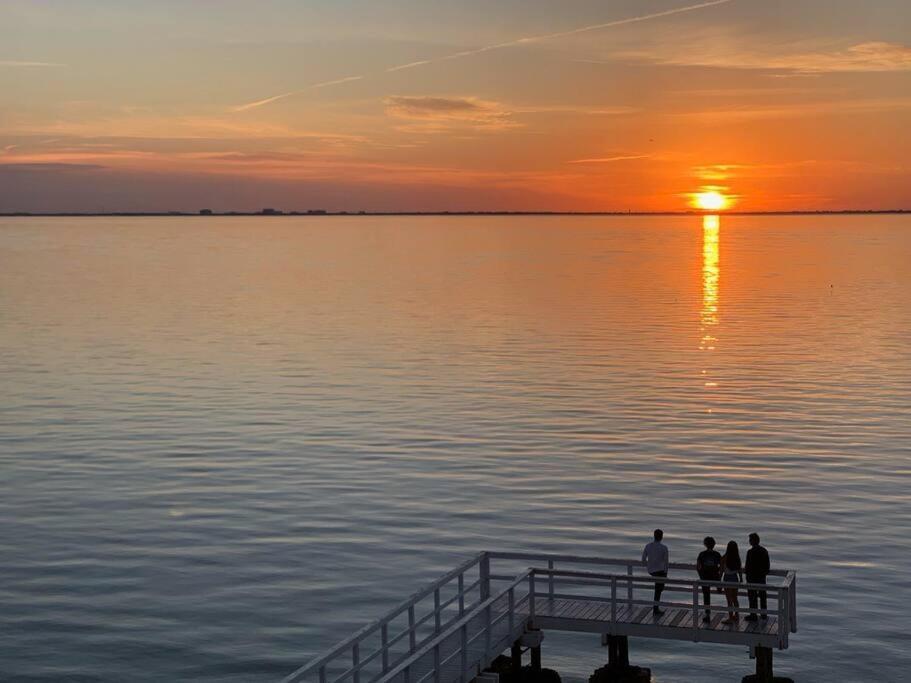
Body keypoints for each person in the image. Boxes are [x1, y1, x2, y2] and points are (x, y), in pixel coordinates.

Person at [642, 529, 669, 615]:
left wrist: (649, 565)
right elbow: (666, 562)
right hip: (660, 571)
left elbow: (643, 560)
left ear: (654, 536)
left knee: (658, 588)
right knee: (659, 589)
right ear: (662, 537)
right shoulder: (664, 548)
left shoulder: (648, 546)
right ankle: (655, 609)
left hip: (651, 571)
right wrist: (666, 573)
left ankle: (656, 608)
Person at [745, 533, 770, 621]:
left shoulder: (750, 552)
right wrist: (764, 573)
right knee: (763, 596)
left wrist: (747, 576)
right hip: (761, 577)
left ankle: (753, 615)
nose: (749, 542)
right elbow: (767, 566)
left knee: (752, 597)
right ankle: (763, 614)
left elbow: (747, 567)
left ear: (752, 541)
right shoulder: (764, 551)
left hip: (752, 578)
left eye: (750, 540)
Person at [696, 536, 722, 622]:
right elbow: (721, 567)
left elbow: (698, 567)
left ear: (705, 544)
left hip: (705, 577)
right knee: (720, 591)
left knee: (706, 596)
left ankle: (707, 614)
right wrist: (719, 577)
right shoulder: (717, 554)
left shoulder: (702, 554)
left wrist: (701, 576)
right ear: (714, 545)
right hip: (715, 577)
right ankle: (733, 613)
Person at [720, 540, 743, 624]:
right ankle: (736, 615)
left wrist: (719, 581)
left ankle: (730, 617)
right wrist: (741, 579)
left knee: (729, 599)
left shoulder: (724, 558)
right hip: (735, 578)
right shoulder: (737, 558)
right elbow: (740, 570)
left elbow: (721, 571)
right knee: (735, 598)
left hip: (727, 578)